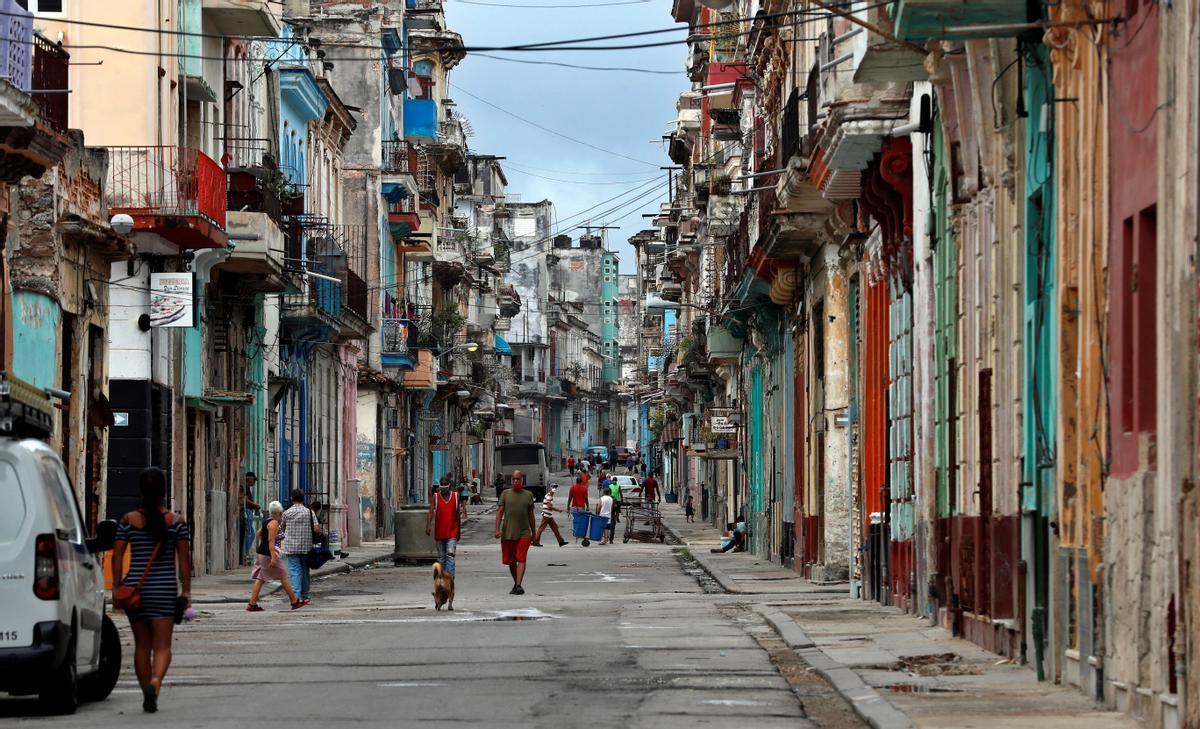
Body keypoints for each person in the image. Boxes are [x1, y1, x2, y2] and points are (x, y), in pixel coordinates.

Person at [111, 468, 191, 713]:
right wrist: (186, 591)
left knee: (142, 646)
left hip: (136, 588)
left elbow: (117, 556)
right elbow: (184, 561)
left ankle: (145, 685)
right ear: (163, 491)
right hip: (164, 589)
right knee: (163, 646)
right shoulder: (176, 522)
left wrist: (117, 586)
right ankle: (155, 684)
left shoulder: (127, 521)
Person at [247, 501, 304, 611]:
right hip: (269, 554)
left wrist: (264, 542)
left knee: (260, 578)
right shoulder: (274, 524)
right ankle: (294, 602)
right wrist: (273, 556)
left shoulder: (266, 521)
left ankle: (252, 604)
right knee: (283, 576)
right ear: (280, 513)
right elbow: (271, 540)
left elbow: (259, 533)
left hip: (262, 553)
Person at [494, 469, 536, 594]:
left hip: (524, 534)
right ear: (511, 480)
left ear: (522, 480)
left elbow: (531, 516)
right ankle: (517, 584)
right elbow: (500, 512)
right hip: (508, 534)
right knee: (511, 562)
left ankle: (518, 585)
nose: (516, 481)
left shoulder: (528, 495)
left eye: (518, 479)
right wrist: (497, 529)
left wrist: (534, 533)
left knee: (521, 558)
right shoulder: (505, 494)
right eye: (514, 479)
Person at [280, 489, 319, 605]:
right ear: (303, 499)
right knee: (305, 571)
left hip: (291, 547)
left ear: (292, 499)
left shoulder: (287, 513)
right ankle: (305, 596)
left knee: (294, 571)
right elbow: (316, 529)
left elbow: (282, 529)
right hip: (306, 547)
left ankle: (296, 597)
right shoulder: (309, 512)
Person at [426, 478, 463, 581]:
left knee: (450, 555)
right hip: (440, 533)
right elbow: (430, 511)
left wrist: (458, 531)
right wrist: (428, 525)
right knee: (442, 558)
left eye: (445, 484)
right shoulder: (436, 497)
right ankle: (442, 578)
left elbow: (457, 515)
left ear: (449, 485)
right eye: (441, 484)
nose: (443, 486)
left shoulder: (455, 496)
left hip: (452, 532)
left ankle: (449, 579)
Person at [240, 472, 261, 564]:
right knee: (249, 533)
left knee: (251, 533)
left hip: (249, 512)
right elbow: (245, 500)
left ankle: (245, 552)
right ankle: (245, 553)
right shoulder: (245, 487)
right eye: (254, 480)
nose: (254, 482)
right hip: (247, 512)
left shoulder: (247, 488)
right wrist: (255, 505)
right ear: (250, 479)